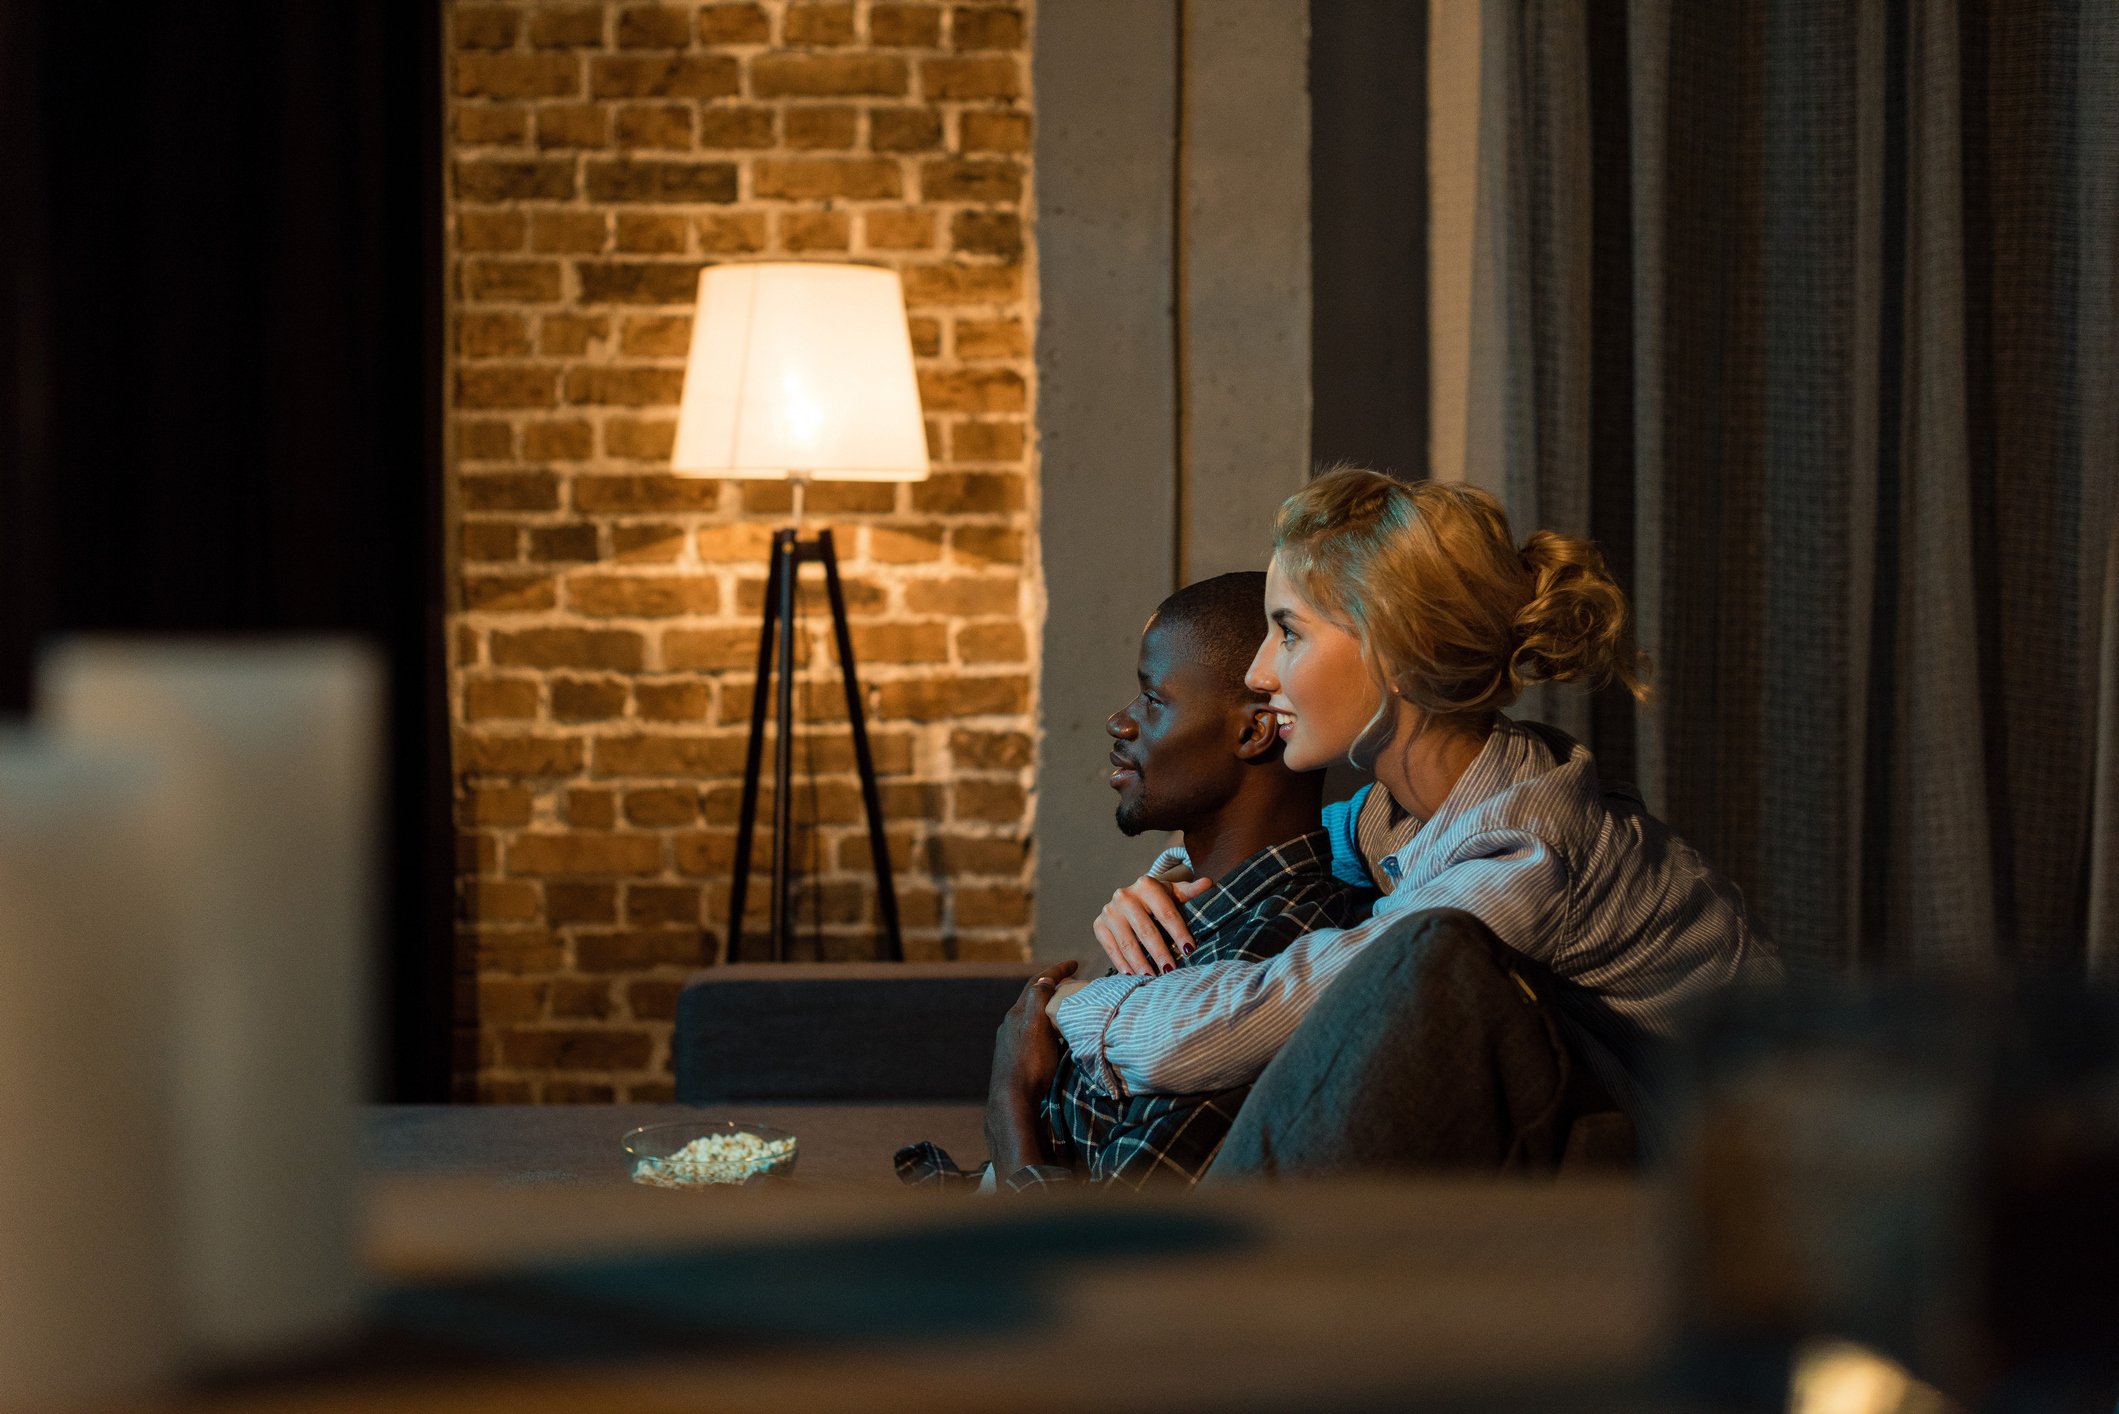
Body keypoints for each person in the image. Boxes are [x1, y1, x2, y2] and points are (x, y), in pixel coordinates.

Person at [1053, 468, 1780, 1176]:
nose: (1257, 673)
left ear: (1399, 651)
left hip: (1727, 1172)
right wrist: (1172, 880)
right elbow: (1283, 856)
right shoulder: (1402, 810)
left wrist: (1074, 1006)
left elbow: (1255, 1017)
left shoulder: (1519, 857)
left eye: (1289, 634)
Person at [895, 573, 1371, 1191]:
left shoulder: (1262, 963)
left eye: (1154, 700)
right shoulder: (1180, 912)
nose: (1120, 722)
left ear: (1253, 732)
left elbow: (1106, 1259)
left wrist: (1008, 1097)